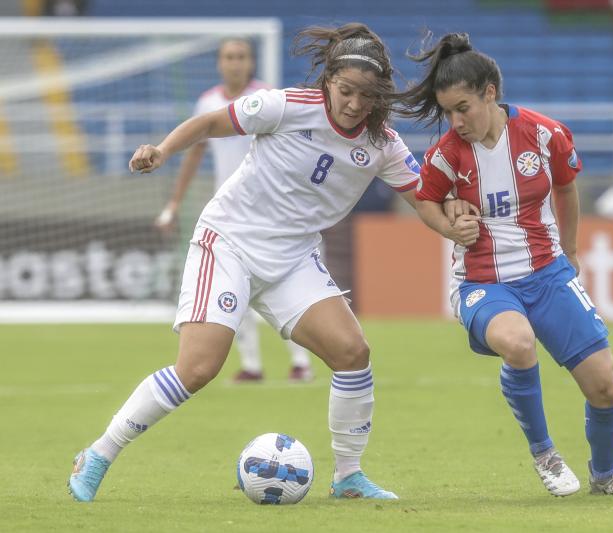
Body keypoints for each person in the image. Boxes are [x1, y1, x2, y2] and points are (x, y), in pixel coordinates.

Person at [68, 22, 432, 503]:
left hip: (292, 258)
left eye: (365, 95)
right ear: (328, 82)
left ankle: (348, 476)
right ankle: (98, 453)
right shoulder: (286, 105)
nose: (353, 104)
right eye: (345, 91)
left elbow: (426, 201)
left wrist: (461, 225)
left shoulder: (384, 144)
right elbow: (209, 125)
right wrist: (162, 149)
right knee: (198, 369)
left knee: (353, 353)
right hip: (230, 242)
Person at [398, 33, 613, 497]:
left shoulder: (544, 134)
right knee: (517, 343)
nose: (456, 121)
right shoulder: (446, 156)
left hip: (547, 271)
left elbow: (566, 188)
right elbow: (425, 202)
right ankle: (545, 453)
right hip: (482, 282)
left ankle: (605, 477)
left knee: (605, 387)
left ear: (490, 92)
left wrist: (571, 251)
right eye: (448, 112)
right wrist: (449, 227)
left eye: (463, 108)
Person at [155, 37, 314, 383]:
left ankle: (301, 362)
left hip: (273, 210)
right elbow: (195, 153)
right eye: (229, 57)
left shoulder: (268, 99)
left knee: (285, 284)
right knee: (232, 290)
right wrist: (174, 203)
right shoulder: (207, 103)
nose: (235, 63)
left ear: (251, 62)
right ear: (219, 63)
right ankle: (252, 365)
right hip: (230, 213)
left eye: (241, 56)